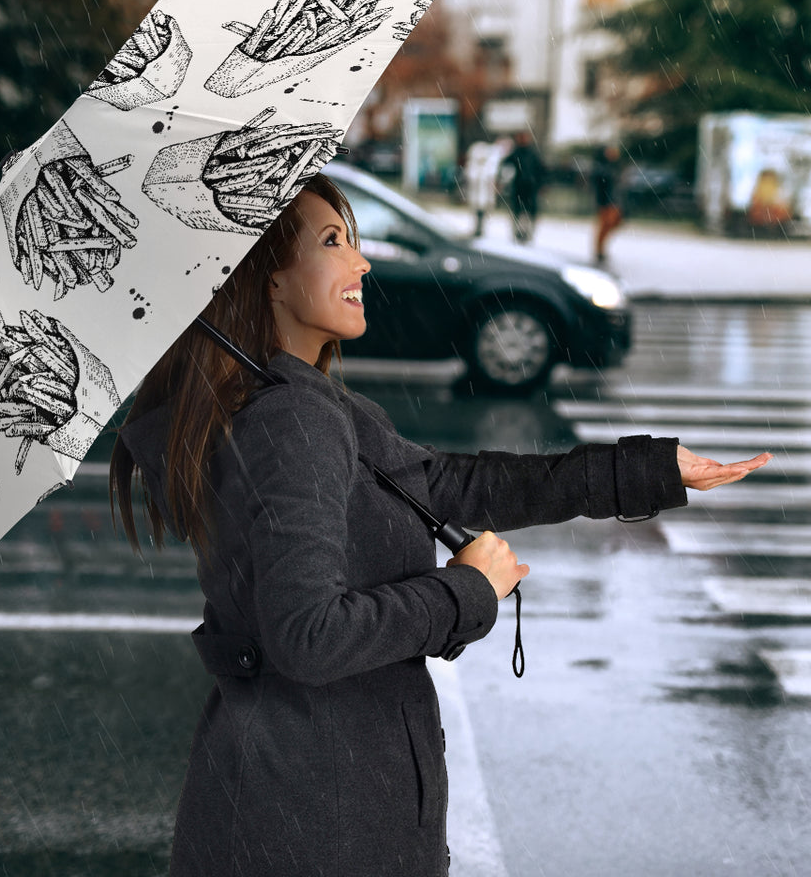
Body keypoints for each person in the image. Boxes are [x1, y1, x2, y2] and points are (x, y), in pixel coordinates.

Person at [109, 173, 770, 877]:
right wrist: (465, 590)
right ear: (267, 279)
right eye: (333, 242)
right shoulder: (291, 421)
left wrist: (647, 471)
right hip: (318, 819)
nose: (362, 262)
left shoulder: (300, 405)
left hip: (304, 800)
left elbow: (454, 484)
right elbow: (307, 637)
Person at [499, 130, 546, 244]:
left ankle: (526, 233)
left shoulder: (532, 154)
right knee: (518, 211)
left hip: (530, 188)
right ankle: (518, 232)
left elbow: (541, 170)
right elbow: (505, 166)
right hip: (519, 187)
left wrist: (541, 184)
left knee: (528, 212)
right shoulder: (516, 153)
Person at [592, 143, 624, 264]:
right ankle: (599, 250)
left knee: (613, 223)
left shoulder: (614, 166)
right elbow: (601, 182)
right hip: (606, 201)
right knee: (605, 225)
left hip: (614, 200)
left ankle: (601, 248)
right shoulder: (602, 167)